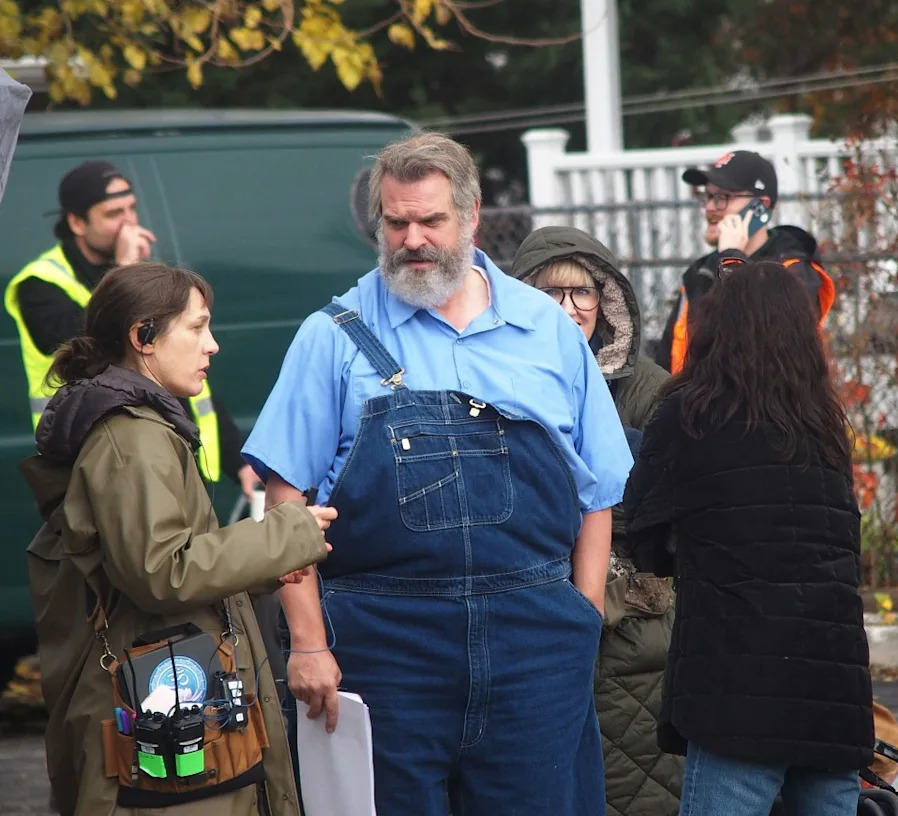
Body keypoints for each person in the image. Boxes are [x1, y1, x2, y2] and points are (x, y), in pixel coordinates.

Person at [242, 132, 634, 816]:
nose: (413, 239)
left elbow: (596, 492)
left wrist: (584, 614)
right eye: (396, 223)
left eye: (431, 221)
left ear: (472, 215)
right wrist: (306, 643)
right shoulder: (332, 335)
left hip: (536, 642)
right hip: (383, 644)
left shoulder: (547, 331)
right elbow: (286, 502)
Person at [21, 261, 334, 816]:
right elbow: (163, 573)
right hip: (162, 718)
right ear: (143, 337)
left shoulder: (140, 426)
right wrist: (288, 532)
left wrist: (262, 566)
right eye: (197, 327)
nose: (212, 345)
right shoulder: (132, 438)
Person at [623, 260, 874, 815]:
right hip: (833, 691)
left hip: (739, 689)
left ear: (718, 329)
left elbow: (641, 532)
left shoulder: (690, 415)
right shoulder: (826, 428)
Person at [512, 225, 682, 815]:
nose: (568, 309)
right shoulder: (500, 381)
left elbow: (671, 508)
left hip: (633, 627)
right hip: (532, 610)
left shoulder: (650, 391)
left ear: (604, 299)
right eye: (549, 294)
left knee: (639, 789)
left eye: (581, 292)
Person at [4, 160, 259, 498]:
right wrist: (124, 271)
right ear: (77, 222)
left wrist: (237, 460)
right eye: (113, 214)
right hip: (99, 463)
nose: (129, 223)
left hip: (173, 454)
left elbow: (189, 377)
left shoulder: (141, 275)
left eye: (132, 209)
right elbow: (92, 345)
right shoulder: (40, 283)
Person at [655, 150, 835, 374]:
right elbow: (669, 358)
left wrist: (732, 258)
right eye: (708, 197)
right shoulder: (701, 273)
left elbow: (761, 349)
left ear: (760, 206)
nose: (710, 208)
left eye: (723, 198)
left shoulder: (792, 271)